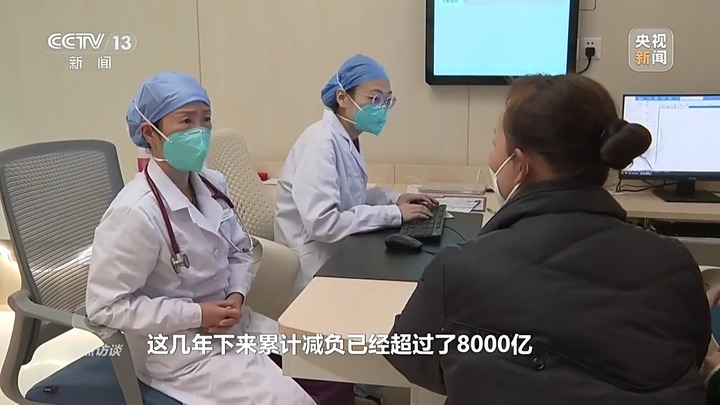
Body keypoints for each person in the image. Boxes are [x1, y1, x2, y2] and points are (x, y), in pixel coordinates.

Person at [384, 74, 712, 403]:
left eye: (494, 143)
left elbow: (410, 355)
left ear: (520, 164)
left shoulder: (457, 269)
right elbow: (693, 356)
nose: (491, 157)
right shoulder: (676, 264)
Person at [85, 72, 318, 405]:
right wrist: (196, 314)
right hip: (177, 350)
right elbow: (105, 306)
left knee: (325, 365)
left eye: (205, 119)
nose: (200, 131)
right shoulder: (134, 213)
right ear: (150, 133)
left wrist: (237, 294)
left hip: (233, 323)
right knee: (293, 401)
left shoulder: (212, 183)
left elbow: (239, 251)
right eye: (186, 121)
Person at [274, 54, 437, 301]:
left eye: (387, 100)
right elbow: (324, 224)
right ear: (342, 98)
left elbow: (350, 196)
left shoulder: (346, 137)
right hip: (313, 265)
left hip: (339, 252)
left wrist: (394, 199)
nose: (381, 108)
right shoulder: (320, 143)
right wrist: (394, 214)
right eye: (374, 99)